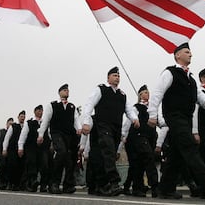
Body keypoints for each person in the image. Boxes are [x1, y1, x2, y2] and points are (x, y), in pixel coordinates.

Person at [147, 42, 205, 200]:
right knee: (189, 147)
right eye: (187, 51)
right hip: (174, 116)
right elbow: (157, 92)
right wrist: (152, 114)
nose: (190, 54)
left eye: (190, 52)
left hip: (186, 118)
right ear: (178, 55)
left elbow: (197, 94)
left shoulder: (190, 77)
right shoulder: (170, 73)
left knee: (177, 154)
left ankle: (165, 189)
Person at [81, 66, 139, 196]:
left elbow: (129, 109)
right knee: (108, 152)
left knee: (102, 157)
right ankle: (114, 182)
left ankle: (100, 185)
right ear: (108, 77)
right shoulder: (101, 89)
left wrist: (135, 119)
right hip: (102, 126)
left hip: (116, 128)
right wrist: (85, 122)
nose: (117, 78)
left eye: (118, 76)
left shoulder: (122, 94)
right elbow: (89, 104)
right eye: (114, 76)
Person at [37, 84, 81, 194]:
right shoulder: (52, 105)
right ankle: (54, 183)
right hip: (56, 133)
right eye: (64, 90)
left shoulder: (72, 106)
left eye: (68, 90)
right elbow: (46, 121)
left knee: (70, 160)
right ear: (59, 92)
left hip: (69, 135)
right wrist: (41, 135)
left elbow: (76, 120)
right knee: (61, 152)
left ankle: (68, 185)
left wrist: (79, 129)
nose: (67, 92)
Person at [123, 85, 158, 197]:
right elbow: (128, 123)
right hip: (138, 138)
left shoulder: (153, 109)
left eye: (148, 92)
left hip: (150, 138)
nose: (147, 94)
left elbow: (160, 121)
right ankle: (154, 187)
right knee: (147, 159)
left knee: (139, 164)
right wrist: (123, 136)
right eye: (145, 92)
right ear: (140, 95)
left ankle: (137, 188)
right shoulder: (136, 108)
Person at [19, 105, 51, 192]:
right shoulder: (29, 122)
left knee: (44, 165)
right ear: (35, 111)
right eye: (38, 110)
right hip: (31, 147)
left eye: (41, 111)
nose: (40, 112)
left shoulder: (45, 123)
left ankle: (43, 185)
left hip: (43, 147)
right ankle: (32, 183)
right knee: (32, 164)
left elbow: (49, 134)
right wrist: (20, 147)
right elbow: (23, 135)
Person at [3, 111, 26, 191]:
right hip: (12, 150)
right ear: (18, 117)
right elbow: (7, 138)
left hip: (21, 150)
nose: (22, 118)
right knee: (12, 167)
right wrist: (4, 149)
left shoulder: (25, 126)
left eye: (24, 117)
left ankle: (17, 184)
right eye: (21, 116)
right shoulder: (13, 126)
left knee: (20, 167)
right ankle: (10, 183)